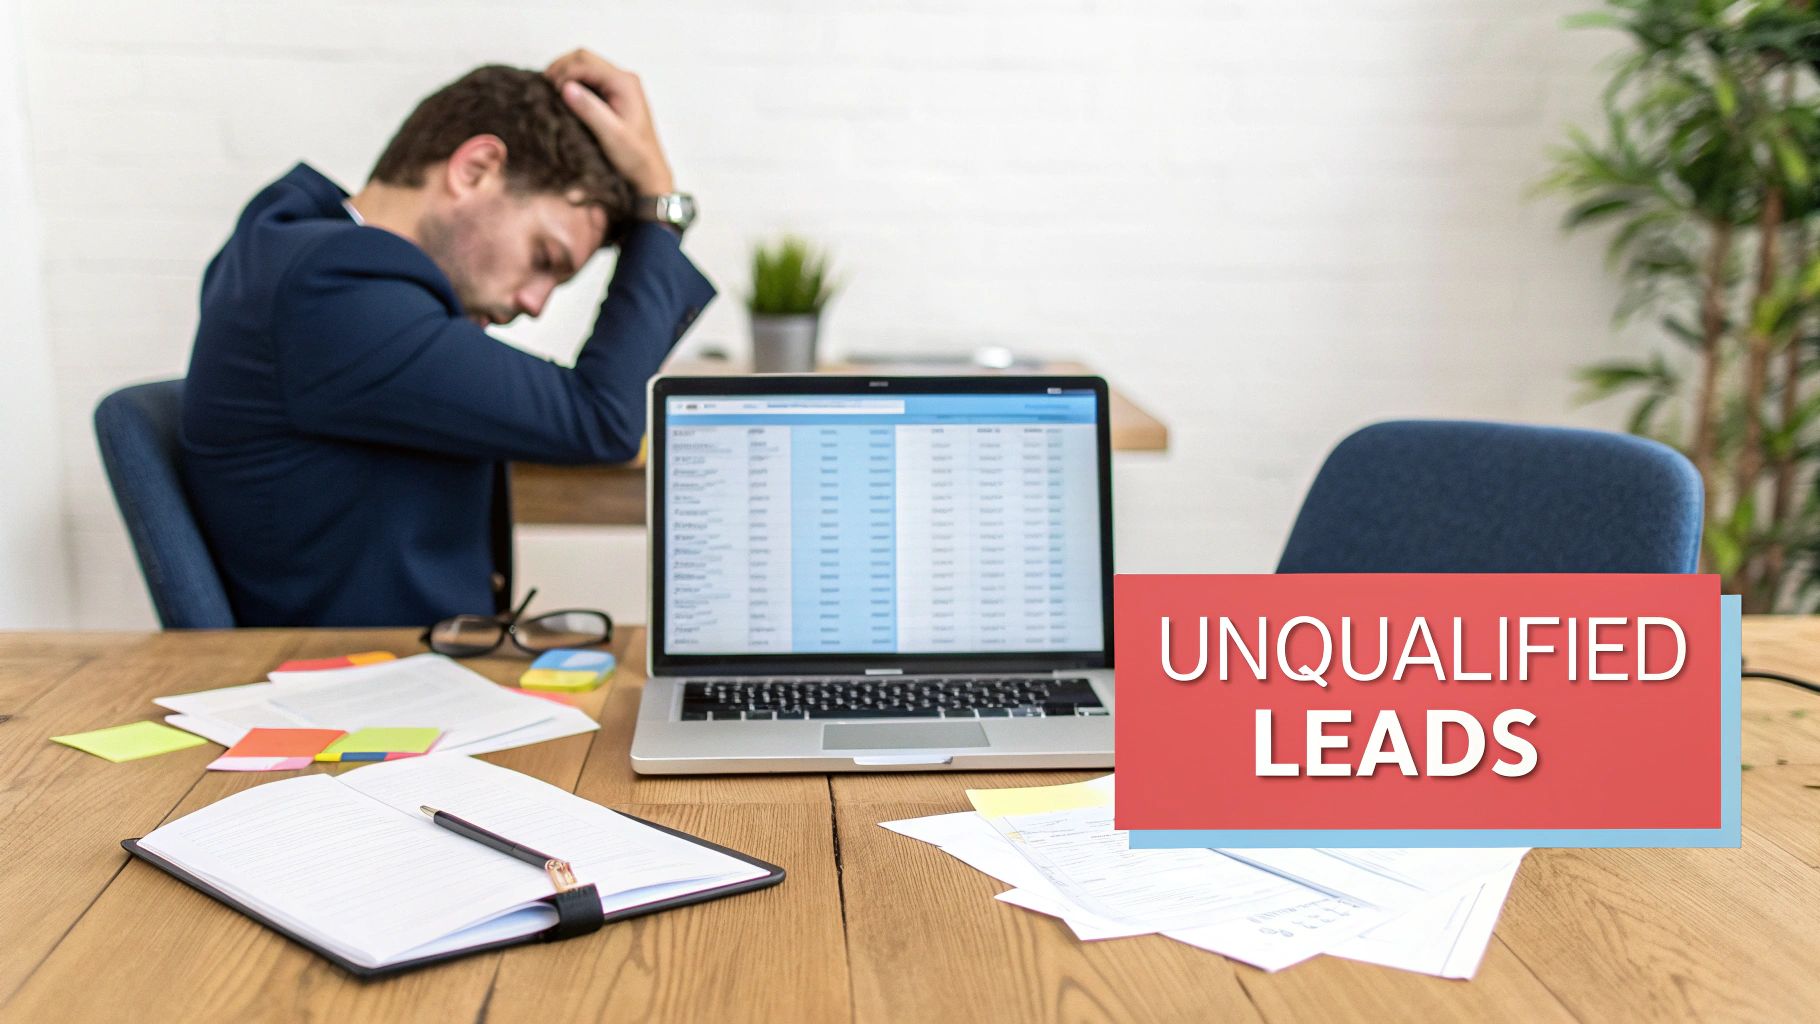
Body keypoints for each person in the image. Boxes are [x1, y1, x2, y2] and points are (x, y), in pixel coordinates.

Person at [181, 50, 710, 627]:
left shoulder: (299, 254)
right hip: (360, 671)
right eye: (544, 257)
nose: (534, 304)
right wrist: (659, 204)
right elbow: (601, 418)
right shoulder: (331, 291)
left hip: (419, 656)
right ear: (476, 169)